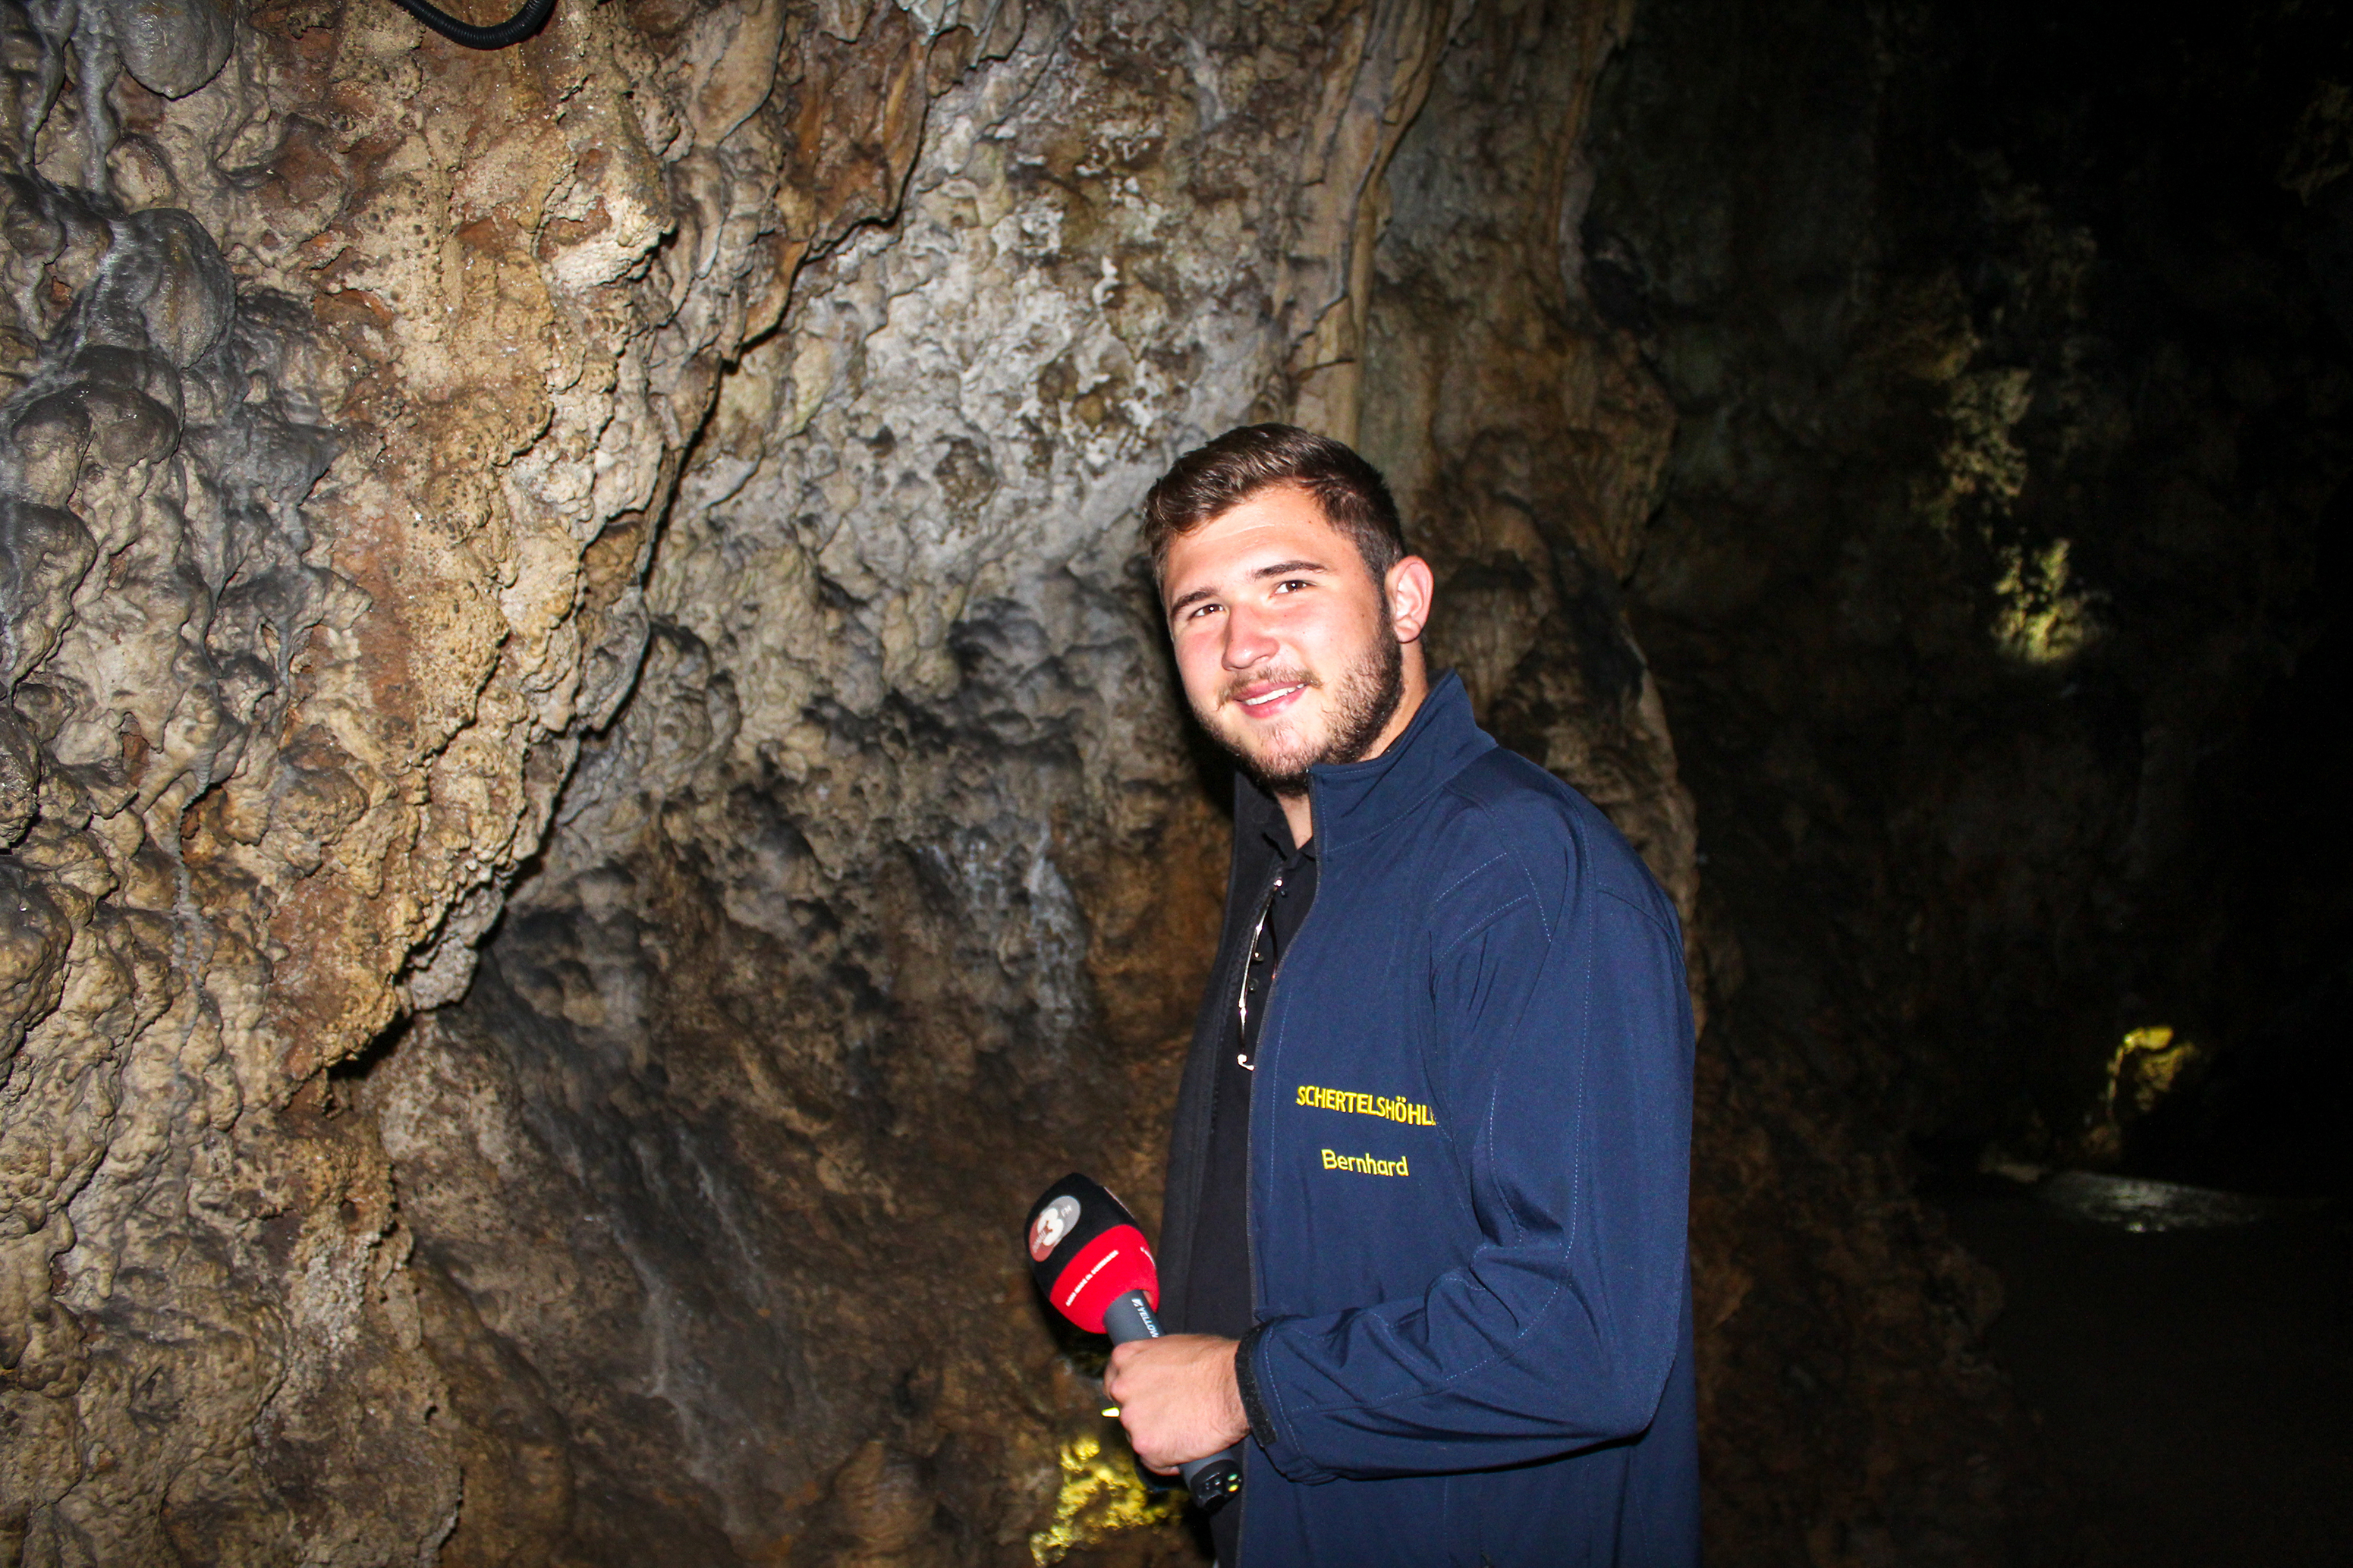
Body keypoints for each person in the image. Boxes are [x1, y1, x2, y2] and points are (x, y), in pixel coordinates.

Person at [1099, 425, 1699, 1566]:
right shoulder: (1283, 875)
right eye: (1201, 609)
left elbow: (1585, 1336)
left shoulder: (1523, 884)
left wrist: (1240, 1389)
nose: (1245, 644)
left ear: (1405, 597)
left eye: (1288, 583)